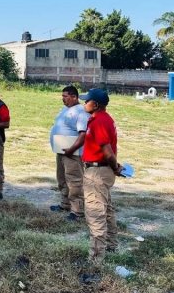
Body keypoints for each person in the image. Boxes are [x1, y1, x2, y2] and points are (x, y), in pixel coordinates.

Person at [79, 88, 123, 264]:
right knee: (107, 211)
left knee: (96, 214)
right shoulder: (103, 118)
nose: (84, 103)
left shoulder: (99, 122)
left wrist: (116, 167)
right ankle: (111, 246)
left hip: (97, 172)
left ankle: (96, 260)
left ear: (95, 105)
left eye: (86, 101)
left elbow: (107, 152)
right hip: (102, 170)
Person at [49, 86, 89, 221]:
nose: (63, 99)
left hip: (72, 152)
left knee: (74, 181)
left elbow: (83, 135)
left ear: (74, 97)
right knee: (62, 178)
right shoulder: (66, 109)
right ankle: (65, 204)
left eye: (65, 96)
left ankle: (77, 211)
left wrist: (71, 149)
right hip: (61, 150)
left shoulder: (81, 112)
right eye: (62, 96)